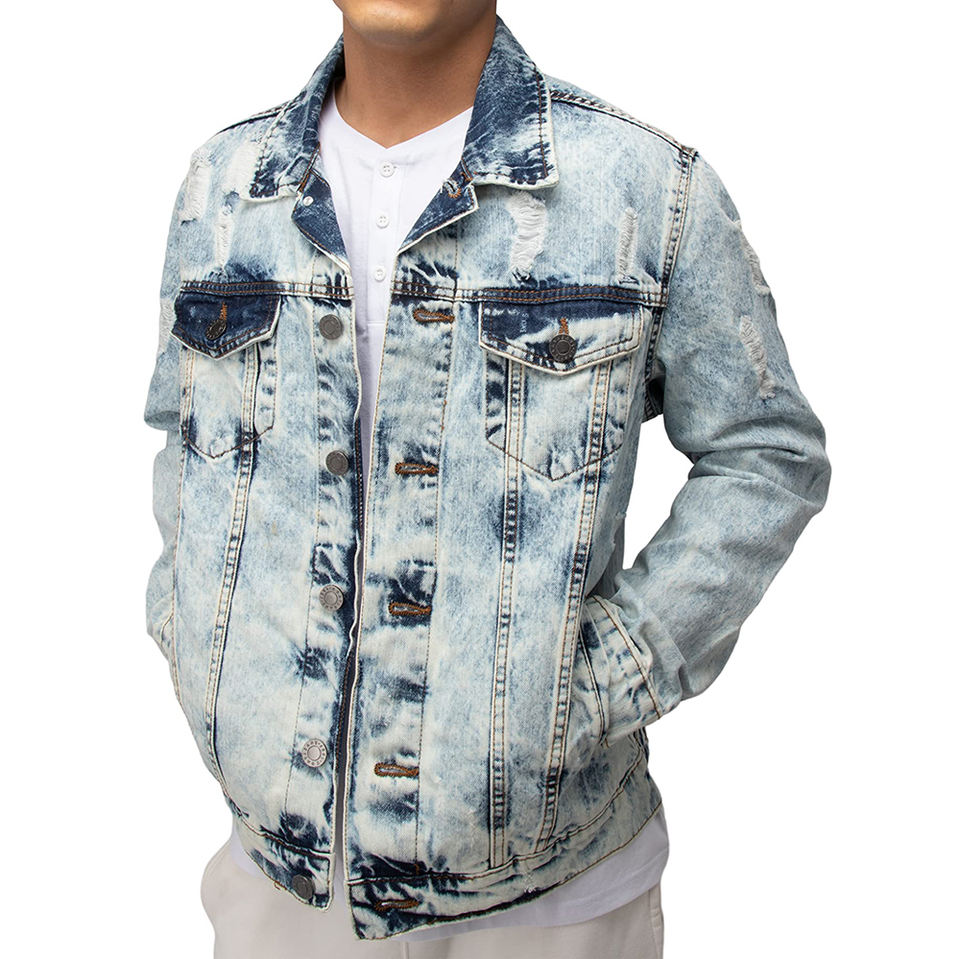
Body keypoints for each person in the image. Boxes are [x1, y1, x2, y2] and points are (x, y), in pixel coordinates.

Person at [143, 3, 831, 956]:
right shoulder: (223, 185)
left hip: (551, 901)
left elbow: (766, 450)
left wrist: (600, 681)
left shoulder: (646, 188)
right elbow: (185, 434)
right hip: (281, 885)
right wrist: (192, 634)